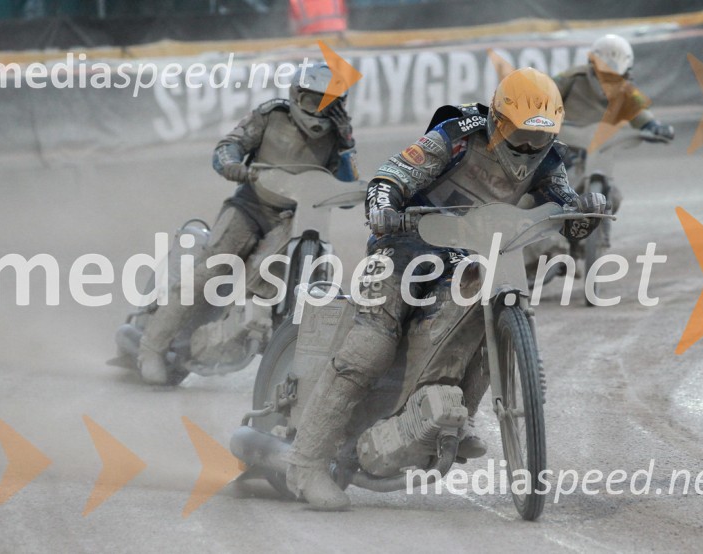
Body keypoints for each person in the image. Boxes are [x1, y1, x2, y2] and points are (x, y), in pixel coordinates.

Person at [285, 67, 608, 510]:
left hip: (468, 252)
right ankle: (307, 464)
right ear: (497, 118)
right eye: (521, 134)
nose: (529, 147)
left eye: (540, 136)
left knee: (482, 316)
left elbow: (561, 201)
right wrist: (383, 204)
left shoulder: (549, 156)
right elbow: (392, 174)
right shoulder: (456, 134)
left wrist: (582, 212)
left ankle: (460, 412)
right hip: (405, 244)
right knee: (371, 347)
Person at [137, 62, 359, 384]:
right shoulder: (271, 116)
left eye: (331, 104)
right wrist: (232, 165)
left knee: (263, 279)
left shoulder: (339, 140)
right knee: (207, 272)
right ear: (297, 95)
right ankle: (151, 348)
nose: (322, 112)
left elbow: (349, 193)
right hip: (250, 205)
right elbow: (228, 147)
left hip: (295, 217)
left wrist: (348, 142)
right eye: (315, 101)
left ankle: (235, 337)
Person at [554, 33, 674, 214]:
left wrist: (653, 126)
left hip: (600, 147)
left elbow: (638, 111)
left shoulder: (625, 89)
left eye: (614, 77)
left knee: (614, 198)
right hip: (565, 142)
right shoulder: (572, 77)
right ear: (592, 66)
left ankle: (598, 236)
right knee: (550, 184)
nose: (607, 82)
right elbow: (545, 93)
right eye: (603, 75)